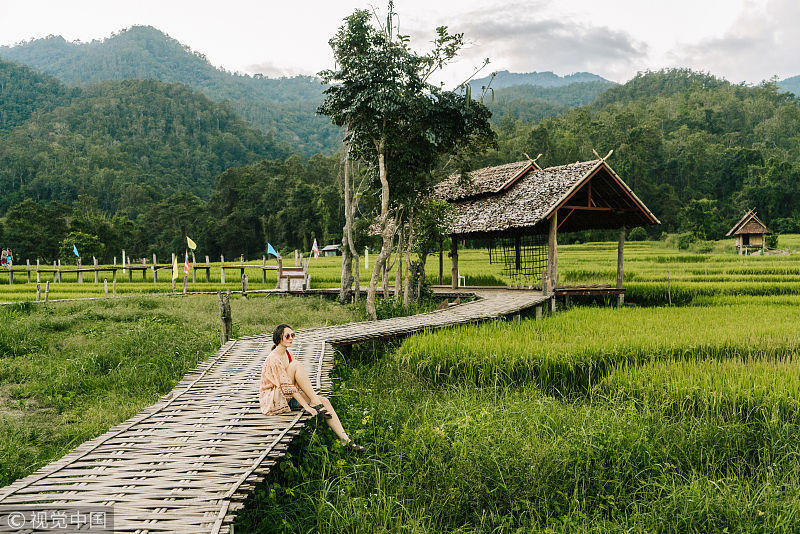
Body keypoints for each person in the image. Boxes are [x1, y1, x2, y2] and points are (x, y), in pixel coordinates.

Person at [259, 323, 365, 452]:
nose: (291, 338)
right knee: (296, 365)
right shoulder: (273, 358)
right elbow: (287, 386)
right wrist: (307, 406)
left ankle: (346, 441)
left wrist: (309, 397)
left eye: (292, 335)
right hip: (273, 399)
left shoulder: (288, 354)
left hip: (286, 395)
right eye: (287, 336)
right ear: (279, 338)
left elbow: (294, 384)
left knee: (325, 401)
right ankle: (315, 401)